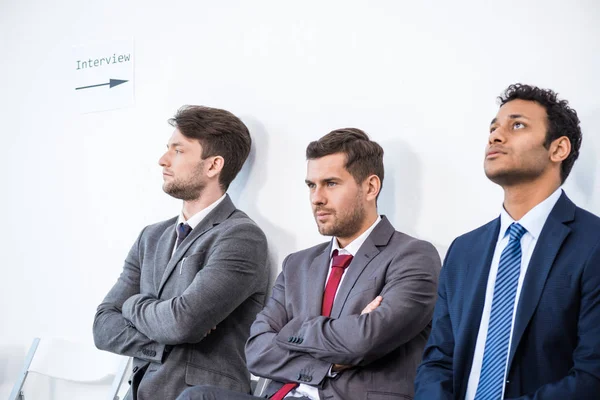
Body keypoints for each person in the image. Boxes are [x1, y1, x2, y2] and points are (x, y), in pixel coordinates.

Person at [178, 128, 441, 400]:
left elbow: (364, 341)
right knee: (196, 397)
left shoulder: (413, 256)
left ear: (370, 187)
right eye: (311, 185)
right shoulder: (298, 264)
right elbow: (256, 351)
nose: (317, 198)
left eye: (331, 183)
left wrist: (292, 329)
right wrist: (331, 359)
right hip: (283, 395)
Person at [415, 84, 600, 399]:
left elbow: (592, 376)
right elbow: (437, 360)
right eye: (493, 128)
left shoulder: (592, 243)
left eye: (517, 125)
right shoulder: (463, 250)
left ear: (558, 149)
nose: (495, 136)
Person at [93, 105, 269, 400]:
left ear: (213, 166)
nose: (163, 160)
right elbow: (103, 327)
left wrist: (132, 304)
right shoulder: (151, 237)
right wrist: (165, 335)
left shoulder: (240, 236)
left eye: (178, 151)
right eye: (167, 149)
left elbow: (181, 324)